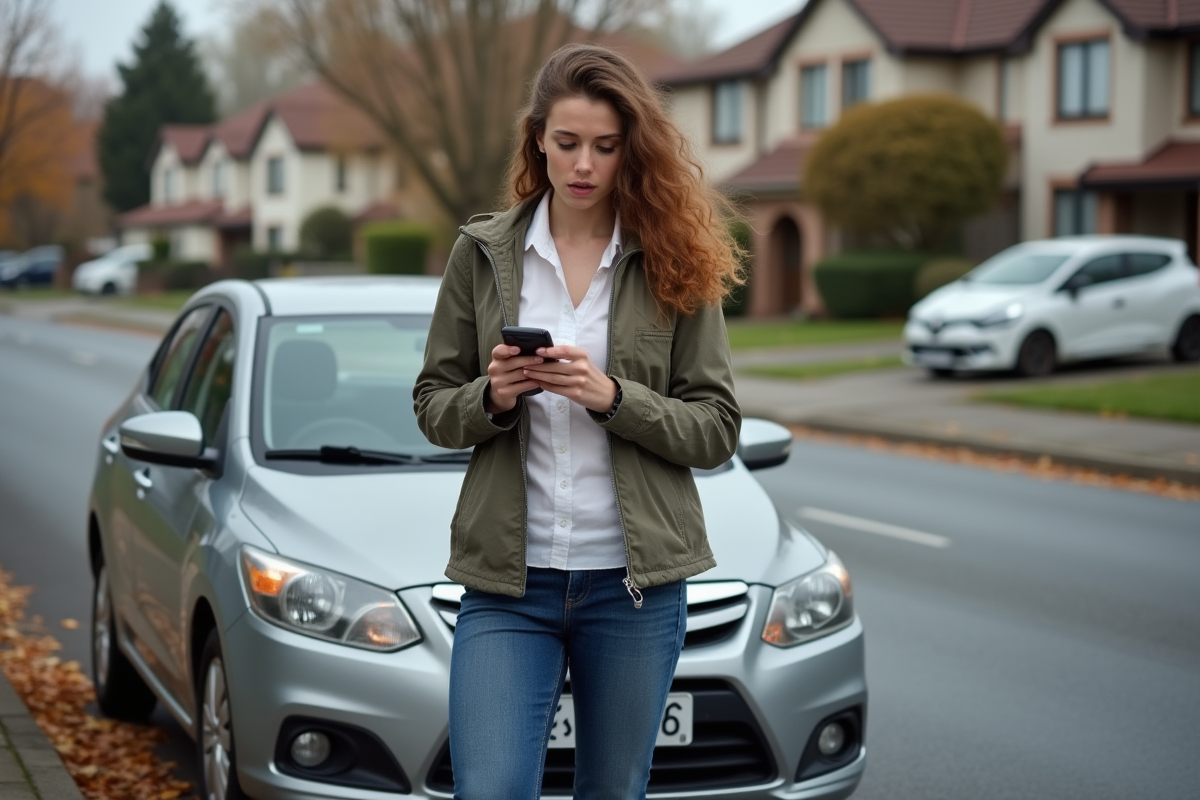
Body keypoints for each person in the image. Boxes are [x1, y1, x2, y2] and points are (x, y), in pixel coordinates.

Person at [413, 42, 743, 800]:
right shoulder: (483, 253)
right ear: (537, 139)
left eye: (605, 146)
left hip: (633, 590)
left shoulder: (672, 259)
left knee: (612, 791)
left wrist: (612, 397)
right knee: (489, 790)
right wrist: (493, 397)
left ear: (632, 149)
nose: (585, 164)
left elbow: (717, 426)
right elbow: (433, 406)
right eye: (567, 143)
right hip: (508, 586)